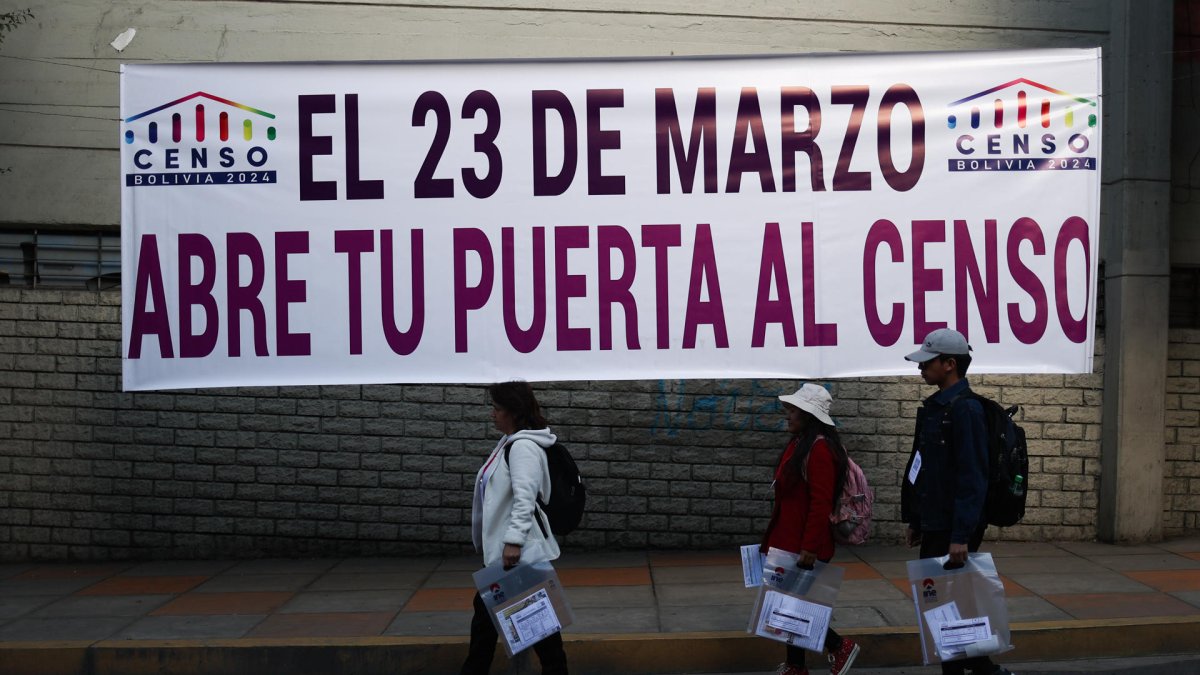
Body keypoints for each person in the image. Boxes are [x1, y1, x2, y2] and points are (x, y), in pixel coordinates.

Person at [901, 328, 1012, 675]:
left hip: (953, 527)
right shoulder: (936, 408)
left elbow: (973, 477)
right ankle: (985, 670)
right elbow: (926, 470)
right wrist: (917, 519)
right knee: (946, 606)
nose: (921, 368)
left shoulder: (966, 410)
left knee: (946, 605)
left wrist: (961, 535)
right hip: (935, 523)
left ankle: (984, 670)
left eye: (927, 362)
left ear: (949, 364)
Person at [461, 381, 568, 675]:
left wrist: (513, 542)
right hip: (508, 555)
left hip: (517, 555)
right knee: (525, 627)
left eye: (497, 409)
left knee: (539, 631)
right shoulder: (509, 443)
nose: (492, 414)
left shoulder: (522, 447)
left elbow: (525, 498)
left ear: (514, 412)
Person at [763, 383, 861, 675]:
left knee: (795, 606)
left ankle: (839, 646)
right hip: (789, 540)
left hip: (804, 545)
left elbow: (821, 502)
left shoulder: (819, 449)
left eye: (794, 410)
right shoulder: (800, 444)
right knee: (789, 605)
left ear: (809, 415)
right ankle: (796, 666)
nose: (788, 415)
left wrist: (809, 546)